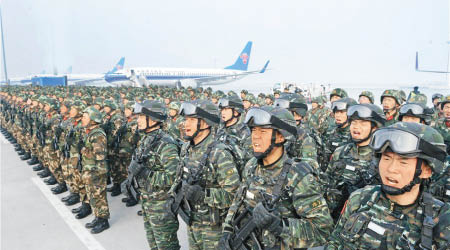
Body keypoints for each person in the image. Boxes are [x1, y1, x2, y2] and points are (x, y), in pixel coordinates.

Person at [219, 106, 333, 249]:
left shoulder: (298, 176)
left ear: (281, 136)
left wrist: (280, 225)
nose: (255, 136)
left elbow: (322, 231)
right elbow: (237, 203)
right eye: (253, 130)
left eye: (263, 131)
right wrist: (227, 232)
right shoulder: (252, 166)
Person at [326, 122, 450, 249]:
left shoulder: (442, 219)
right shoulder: (361, 198)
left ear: (427, 171)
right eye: (386, 158)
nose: (391, 169)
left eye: (403, 162)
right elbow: (335, 242)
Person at [167, 100, 240, 249]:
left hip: (214, 229)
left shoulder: (219, 153)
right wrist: (172, 195)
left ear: (206, 123)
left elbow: (234, 196)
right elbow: (180, 176)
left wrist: (204, 195)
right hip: (192, 220)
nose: (185, 124)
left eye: (192, 120)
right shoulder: (187, 147)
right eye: (186, 119)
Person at [123, 100, 180, 249]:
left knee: (166, 246)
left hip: (162, 206)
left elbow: (173, 178)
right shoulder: (146, 139)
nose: (138, 120)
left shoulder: (166, 144)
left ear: (154, 118)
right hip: (148, 202)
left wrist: (146, 173)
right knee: (154, 244)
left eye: (142, 116)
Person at [324, 104, 385, 221]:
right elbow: (327, 182)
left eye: (362, 123)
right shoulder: (340, 152)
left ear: (375, 128)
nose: (356, 127)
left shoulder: (381, 158)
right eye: (354, 123)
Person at [79, 106, 110, 234]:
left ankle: (103, 220)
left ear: (93, 120)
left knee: (99, 196)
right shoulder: (90, 132)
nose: (82, 119)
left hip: (97, 171)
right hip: (90, 170)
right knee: (92, 195)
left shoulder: (97, 135)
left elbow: (100, 156)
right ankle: (97, 217)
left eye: (85, 117)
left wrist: (83, 150)